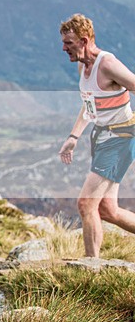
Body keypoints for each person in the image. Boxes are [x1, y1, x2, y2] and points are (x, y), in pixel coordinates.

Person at [58, 13, 135, 257]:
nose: (64, 48)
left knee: (86, 203)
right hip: (102, 137)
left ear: (84, 41)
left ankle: (91, 267)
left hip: (120, 138)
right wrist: (73, 137)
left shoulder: (107, 64)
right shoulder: (83, 65)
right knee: (108, 210)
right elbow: (89, 105)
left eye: (68, 43)